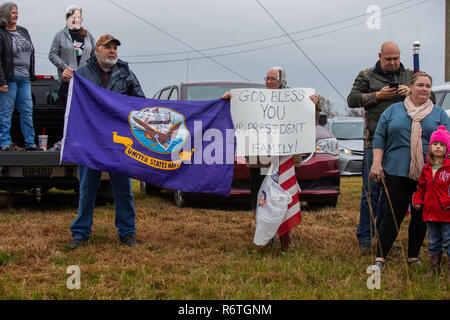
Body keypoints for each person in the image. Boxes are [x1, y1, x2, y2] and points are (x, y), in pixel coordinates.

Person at [223, 66, 321, 251]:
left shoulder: (295, 99)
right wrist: (232, 99)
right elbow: (239, 114)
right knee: (259, 196)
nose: (268, 82)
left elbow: (311, 122)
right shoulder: (255, 98)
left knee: (285, 196)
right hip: (260, 158)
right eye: (266, 78)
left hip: (285, 159)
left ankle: (285, 236)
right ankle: (265, 233)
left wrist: (314, 105)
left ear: (282, 81)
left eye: (272, 79)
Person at [61, 34, 145, 248]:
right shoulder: (84, 73)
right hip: (91, 141)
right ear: (96, 50)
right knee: (88, 189)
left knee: (123, 189)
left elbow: (140, 102)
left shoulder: (125, 73)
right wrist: (65, 82)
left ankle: (127, 232)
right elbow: (65, 98)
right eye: (107, 47)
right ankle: (80, 233)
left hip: (118, 141)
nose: (112, 51)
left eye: (115, 48)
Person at [370, 71, 450, 270]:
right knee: (392, 214)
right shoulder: (393, 111)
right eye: (420, 85)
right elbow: (379, 137)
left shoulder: (439, 114)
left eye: (428, 86)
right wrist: (376, 163)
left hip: (429, 174)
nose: (424, 89)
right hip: (395, 171)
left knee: (421, 214)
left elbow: (447, 143)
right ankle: (380, 257)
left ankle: (413, 256)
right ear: (411, 87)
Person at [347, 41, 417, 254]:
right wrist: (378, 96)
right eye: (388, 59)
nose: (393, 63)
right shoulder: (367, 75)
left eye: (396, 58)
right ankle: (365, 236)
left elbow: (429, 96)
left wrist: (411, 92)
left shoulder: (411, 75)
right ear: (380, 56)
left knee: (393, 193)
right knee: (372, 191)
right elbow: (352, 100)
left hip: (401, 143)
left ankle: (384, 236)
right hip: (374, 141)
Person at [413, 126, 450, 279]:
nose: (438, 147)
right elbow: (420, 188)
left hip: (447, 213)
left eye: (442, 145)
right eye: (435, 144)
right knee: (433, 241)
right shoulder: (427, 169)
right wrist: (417, 200)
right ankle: (434, 268)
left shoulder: (448, 169)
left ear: (447, 149)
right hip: (430, 213)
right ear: (430, 147)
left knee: (448, 241)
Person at [0, 2, 39, 151]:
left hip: (24, 79)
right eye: (13, 13)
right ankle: (4, 142)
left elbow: (32, 54)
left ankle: (30, 142)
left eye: (17, 12)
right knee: (6, 111)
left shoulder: (23, 31)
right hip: (9, 79)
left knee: (27, 110)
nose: (16, 15)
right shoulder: (1, 33)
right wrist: (2, 81)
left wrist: (32, 75)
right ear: (5, 15)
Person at [49, 4, 96, 83]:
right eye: (73, 17)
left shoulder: (88, 36)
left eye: (78, 17)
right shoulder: (60, 35)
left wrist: (89, 69)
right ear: (67, 19)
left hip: (85, 80)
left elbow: (95, 56)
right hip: (67, 80)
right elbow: (52, 55)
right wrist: (65, 67)